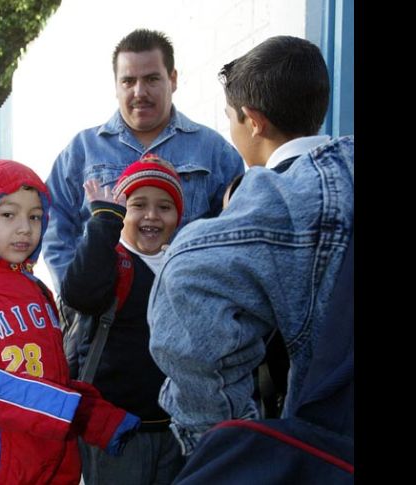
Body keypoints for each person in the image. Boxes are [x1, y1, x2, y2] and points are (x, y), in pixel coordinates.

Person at [146, 35, 353, 456]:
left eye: (231, 117)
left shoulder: (278, 198)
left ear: (253, 121)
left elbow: (186, 276)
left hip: (326, 446)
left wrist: (233, 448)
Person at [0, 159, 141, 484]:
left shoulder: (38, 290)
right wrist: (56, 406)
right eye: (8, 214)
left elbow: (51, 379)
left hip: (47, 465)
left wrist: (96, 417)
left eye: (35, 216)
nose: (25, 228)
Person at [43, 28, 244, 291]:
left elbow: (236, 232)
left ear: (172, 79)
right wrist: (77, 295)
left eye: (151, 79)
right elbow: (53, 227)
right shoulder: (82, 150)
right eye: (128, 81)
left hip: (186, 315)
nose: (139, 92)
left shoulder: (213, 151)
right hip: (107, 324)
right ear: (116, 85)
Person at [60, 155, 186, 484]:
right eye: (138, 205)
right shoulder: (113, 260)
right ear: (121, 212)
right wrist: (102, 224)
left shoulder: (183, 265)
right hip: (116, 428)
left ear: (177, 216)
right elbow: (80, 293)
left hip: (174, 427)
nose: (151, 216)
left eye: (164, 207)